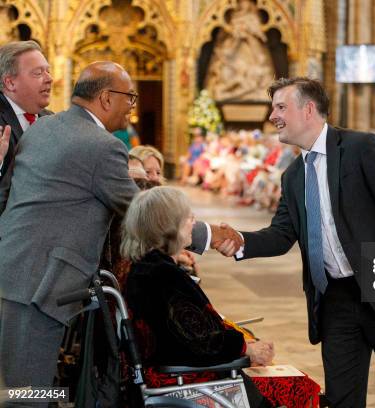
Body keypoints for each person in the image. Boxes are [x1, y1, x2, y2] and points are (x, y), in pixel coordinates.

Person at [0, 61, 242, 390]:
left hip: (18, 270)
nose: (132, 107)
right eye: (130, 97)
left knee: (27, 388)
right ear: (105, 98)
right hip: (40, 285)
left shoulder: (45, 127)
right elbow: (142, 213)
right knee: (28, 395)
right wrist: (209, 235)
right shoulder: (101, 146)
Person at [217, 77, 375, 408]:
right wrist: (239, 241)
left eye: (280, 107)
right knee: (342, 399)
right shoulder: (292, 175)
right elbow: (280, 235)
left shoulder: (361, 148)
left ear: (308, 109)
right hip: (334, 300)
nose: (272, 115)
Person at [122, 186, 275, 408]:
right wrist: (246, 348)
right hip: (186, 383)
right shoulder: (162, 275)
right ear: (168, 226)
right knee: (299, 387)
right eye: (188, 217)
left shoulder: (148, 266)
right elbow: (200, 342)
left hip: (174, 371)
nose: (194, 221)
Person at [0, 40, 53, 181]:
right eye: (38, 73)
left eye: (48, 71)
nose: (49, 79)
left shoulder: (51, 120)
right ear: (10, 83)